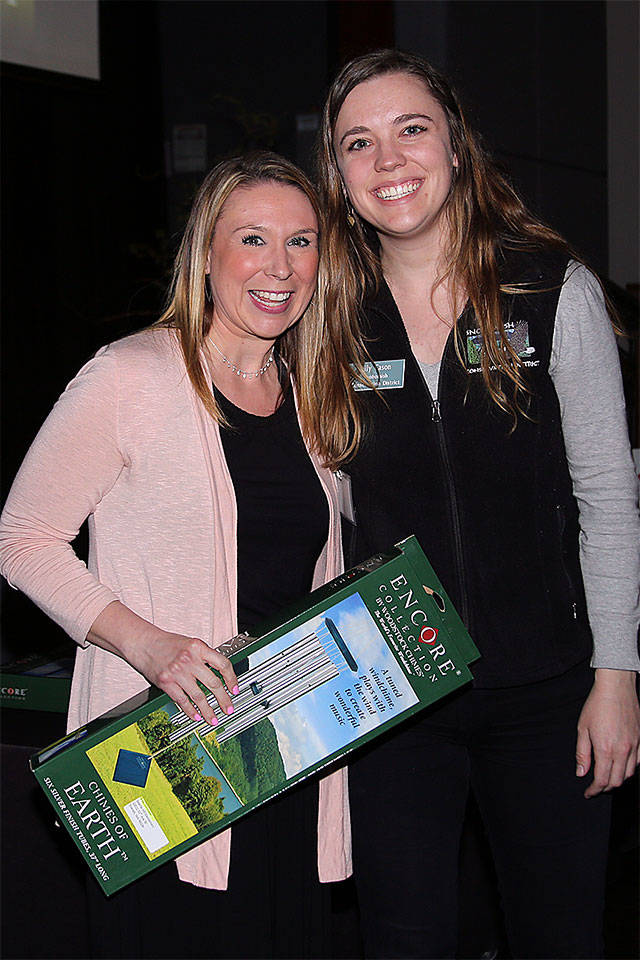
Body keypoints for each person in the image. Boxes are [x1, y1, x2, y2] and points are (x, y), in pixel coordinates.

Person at [317, 49, 640, 959]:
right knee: (404, 941)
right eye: (359, 143)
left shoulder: (548, 287)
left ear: (456, 145)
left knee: (558, 935)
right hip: (392, 695)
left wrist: (616, 676)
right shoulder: (325, 314)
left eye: (411, 129)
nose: (389, 160)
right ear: (338, 180)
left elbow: (610, 494)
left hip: (549, 692)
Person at [0, 152, 364, 959]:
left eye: (301, 242)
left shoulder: (315, 398)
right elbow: (22, 539)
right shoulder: (130, 376)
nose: (280, 267)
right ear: (207, 254)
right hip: (163, 761)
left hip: (284, 756)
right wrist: (149, 645)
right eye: (254, 239)